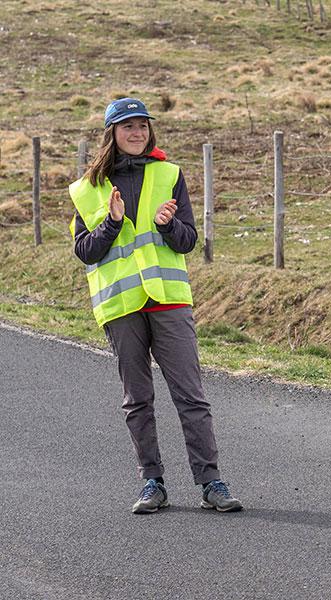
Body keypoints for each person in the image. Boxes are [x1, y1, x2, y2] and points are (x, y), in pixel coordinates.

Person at [69, 97, 242, 514]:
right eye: (128, 126)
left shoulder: (169, 174)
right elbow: (86, 252)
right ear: (111, 134)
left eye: (143, 126)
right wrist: (111, 223)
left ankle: (211, 482)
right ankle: (152, 482)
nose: (137, 133)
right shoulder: (87, 189)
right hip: (122, 305)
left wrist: (168, 225)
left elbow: (188, 241)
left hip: (168, 301)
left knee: (191, 396)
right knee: (138, 399)